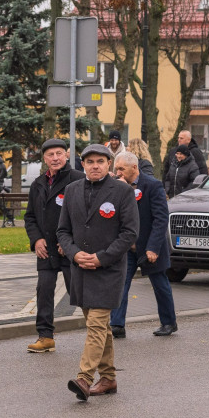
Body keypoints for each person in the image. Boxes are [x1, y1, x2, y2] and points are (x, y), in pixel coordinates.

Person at [58, 144, 137, 400]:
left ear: (109, 164)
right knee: (101, 328)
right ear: (83, 165)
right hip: (80, 269)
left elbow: (129, 233)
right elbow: (62, 231)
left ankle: (84, 378)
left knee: (95, 324)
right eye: (90, 161)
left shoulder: (123, 191)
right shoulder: (71, 190)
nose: (94, 165)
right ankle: (109, 378)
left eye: (100, 161)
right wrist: (73, 253)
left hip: (109, 270)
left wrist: (102, 258)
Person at [24, 138, 84, 352]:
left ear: (66, 155)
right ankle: (45, 336)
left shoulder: (78, 180)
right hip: (46, 249)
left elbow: (85, 216)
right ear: (45, 158)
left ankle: (98, 331)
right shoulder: (38, 184)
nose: (55, 158)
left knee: (78, 291)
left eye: (59, 153)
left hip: (70, 250)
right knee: (45, 290)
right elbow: (30, 217)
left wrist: (70, 242)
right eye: (51, 155)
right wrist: (36, 239)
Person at [111, 151, 177, 337]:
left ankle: (169, 322)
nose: (118, 172)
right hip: (127, 246)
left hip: (149, 246)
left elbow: (160, 219)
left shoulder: (153, 185)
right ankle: (117, 324)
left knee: (160, 284)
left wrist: (153, 247)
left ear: (134, 167)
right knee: (121, 284)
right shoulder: (117, 186)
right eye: (116, 169)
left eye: (121, 169)